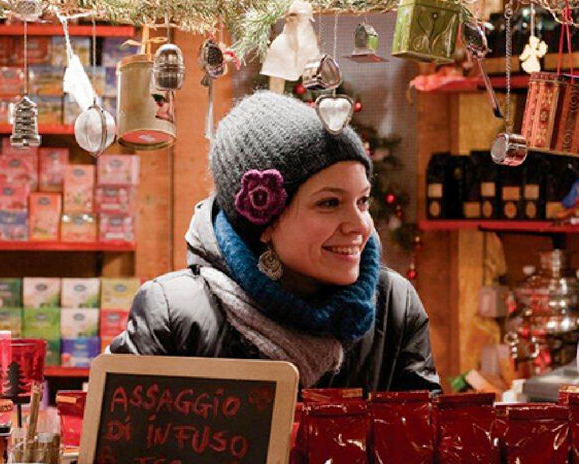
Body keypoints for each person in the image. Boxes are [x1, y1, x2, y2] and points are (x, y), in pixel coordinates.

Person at [108, 91, 440, 392]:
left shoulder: (394, 305)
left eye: (363, 201)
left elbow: (424, 445)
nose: (360, 225)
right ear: (264, 223)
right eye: (329, 203)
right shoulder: (173, 314)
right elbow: (121, 448)